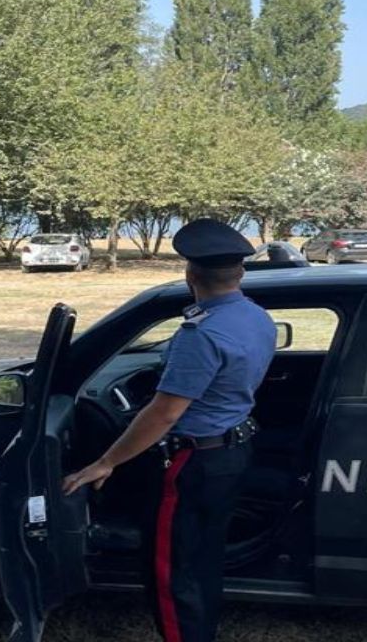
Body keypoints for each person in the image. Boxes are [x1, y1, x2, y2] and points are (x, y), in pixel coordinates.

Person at [62, 218, 276, 642]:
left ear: (190, 273)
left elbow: (164, 413)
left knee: (173, 570)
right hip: (232, 449)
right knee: (202, 557)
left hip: (192, 461)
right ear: (241, 273)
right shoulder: (256, 317)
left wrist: (106, 463)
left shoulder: (203, 333)